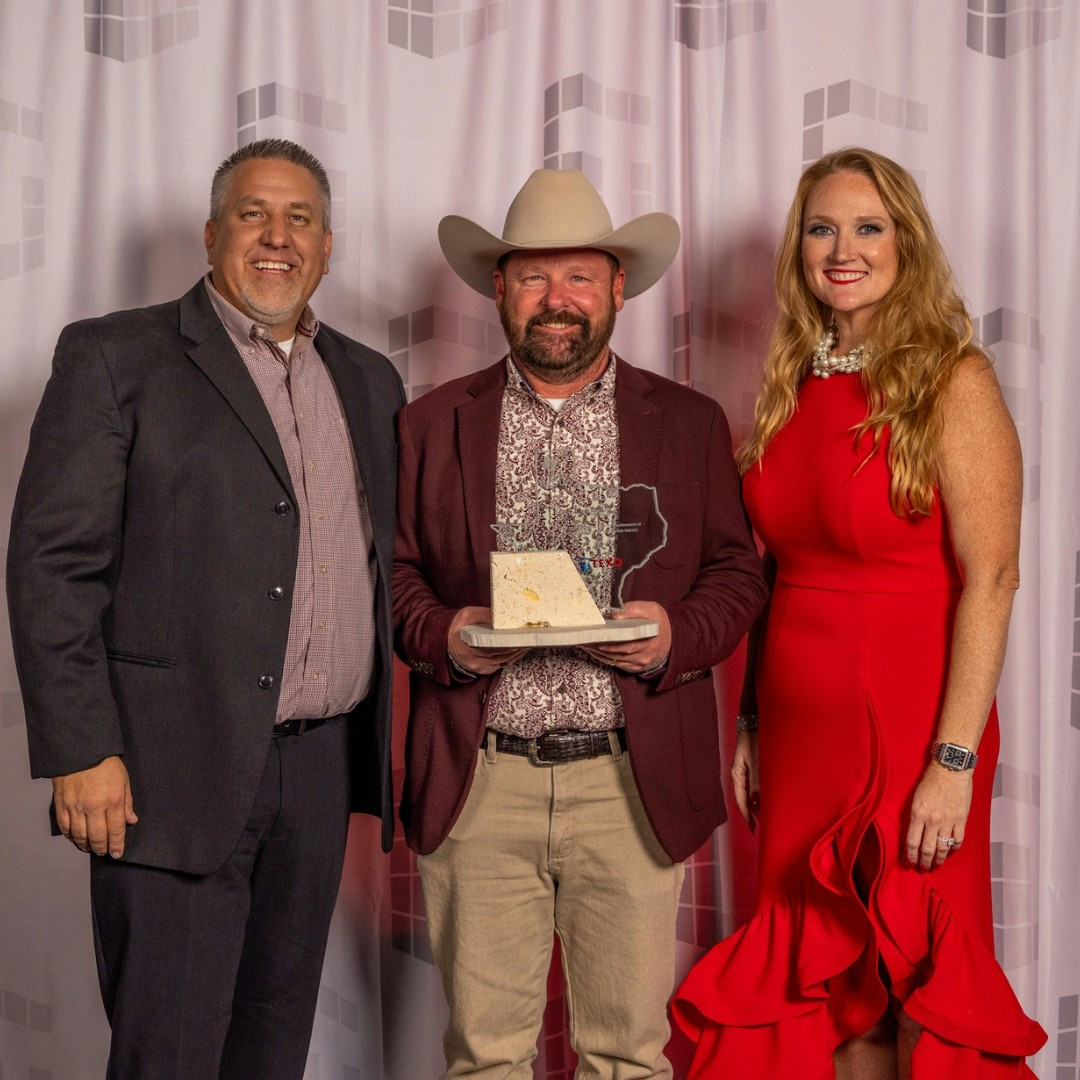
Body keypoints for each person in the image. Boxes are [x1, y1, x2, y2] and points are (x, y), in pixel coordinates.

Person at [6, 138, 404, 1080]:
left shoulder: (368, 379)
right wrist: (78, 749)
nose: (278, 238)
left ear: (329, 245)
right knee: (170, 1052)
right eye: (254, 215)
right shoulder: (116, 357)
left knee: (273, 1045)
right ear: (211, 234)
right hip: (164, 767)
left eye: (299, 218)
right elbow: (53, 565)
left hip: (319, 768)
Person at [672, 147, 1047, 1078]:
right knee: (830, 988)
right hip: (802, 736)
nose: (844, 249)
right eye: (822, 228)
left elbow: (992, 576)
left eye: (868, 227)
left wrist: (952, 762)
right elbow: (769, 572)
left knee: (921, 973)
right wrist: (751, 717)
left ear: (906, 243)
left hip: (916, 721)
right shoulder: (792, 384)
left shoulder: (953, 380)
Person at [392, 167, 766, 1079]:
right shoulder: (432, 424)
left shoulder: (686, 421)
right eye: (533, 278)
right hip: (482, 782)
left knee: (626, 1058)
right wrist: (449, 634)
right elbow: (396, 580)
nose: (556, 301)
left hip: (627, 783)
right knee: (485, 1058)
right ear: (498, 288)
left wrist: (675, 633)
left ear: (618, 290)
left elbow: (735, 575)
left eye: (580, 279)